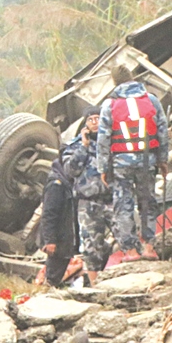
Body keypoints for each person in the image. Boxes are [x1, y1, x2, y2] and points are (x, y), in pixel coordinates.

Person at [96, 65, 169, 263]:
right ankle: (149, 246)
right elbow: (162, 131)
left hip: (122, 162)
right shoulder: (151, 100)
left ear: (115, 82)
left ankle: (130, 251)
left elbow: (103, 139)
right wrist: (163, 159)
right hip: (147, 160)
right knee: (148, 201)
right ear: (132, 78)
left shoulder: (110, 105)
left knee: (123, 204)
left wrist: (103, 167)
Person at [64, 106, 113, 285]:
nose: (94, 122)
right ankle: (94, 285)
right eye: (90, 119)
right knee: (91, 248)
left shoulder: (112, 140)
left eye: (98, 118)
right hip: (88, 202)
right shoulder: (76, 145)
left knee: (127, 236)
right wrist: (84, 147)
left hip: (112, 199)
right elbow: (70, 170)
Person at [38, 139, 78, 286]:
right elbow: (48, 214)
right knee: (53, 277)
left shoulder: (70, 181)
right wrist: (50, 241)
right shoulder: (56, 185)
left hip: (67, 237)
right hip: (58, 239)